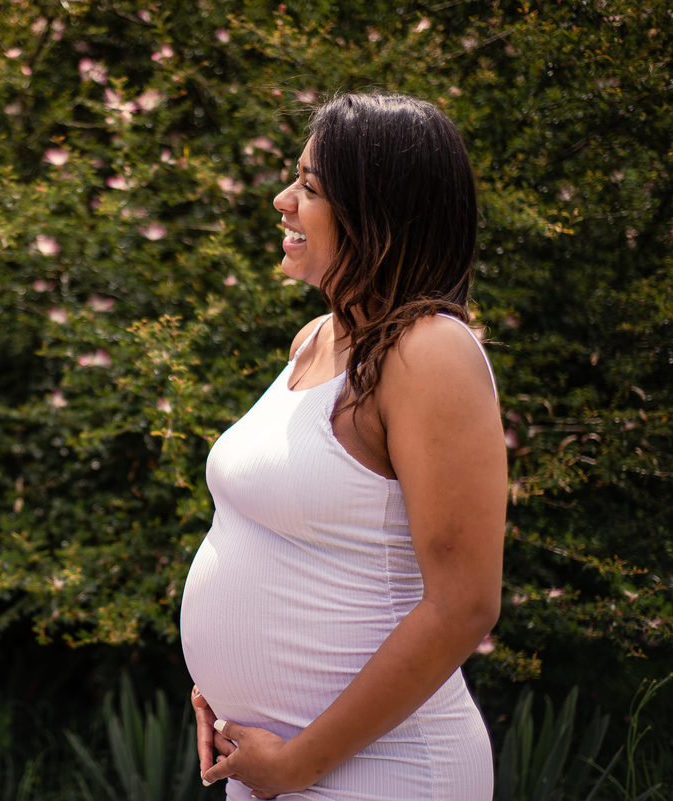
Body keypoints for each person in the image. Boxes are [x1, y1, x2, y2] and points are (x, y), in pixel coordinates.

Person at [180, 92, 506, 800]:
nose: (281, 201)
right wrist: (226, 686)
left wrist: (299, 762)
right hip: (273, 760)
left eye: (311, 188)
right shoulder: (318, 339)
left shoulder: (431, 352)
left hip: (379, 770)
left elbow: (465, 604)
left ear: (378, 211)